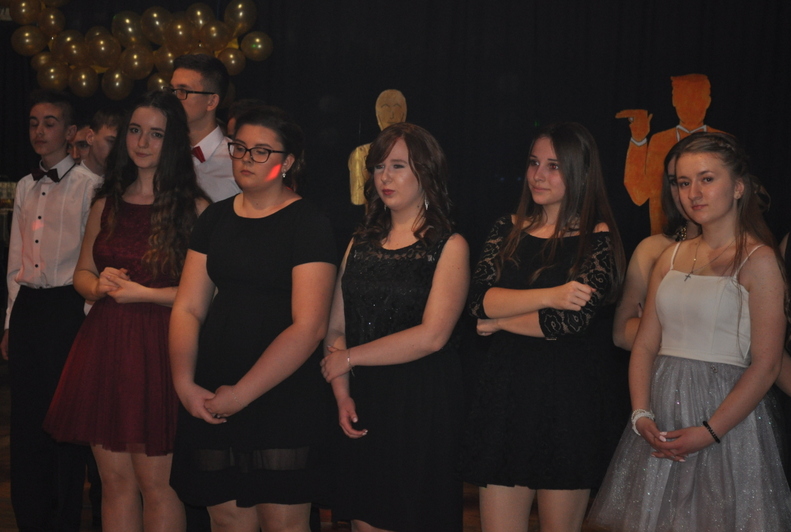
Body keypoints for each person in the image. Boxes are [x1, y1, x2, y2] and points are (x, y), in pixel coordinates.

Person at [587, 132, 791, 531]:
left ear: (738, 187)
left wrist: (709, 431)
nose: (693, 193)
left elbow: (767, 364)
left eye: (707, 179)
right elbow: (645, 345)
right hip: (663, 413)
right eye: (683, 183)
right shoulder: (669, 257)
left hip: (726, 416)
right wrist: (641, 414)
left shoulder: (760, 260)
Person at [43, 90, 210, 531]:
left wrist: (145, 294)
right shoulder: (107, 201)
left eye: (155, 134)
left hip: (162, 347)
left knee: (159, 485)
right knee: (114, 484)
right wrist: (97, 286)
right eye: (135, 130)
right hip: (105, 345)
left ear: (173, 141)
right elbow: (82, 273)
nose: (142, 142)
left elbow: (208, 295)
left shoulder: (195, 208)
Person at [169, 106, 338, 531]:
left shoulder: (309, 222)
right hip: (215, 380)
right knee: (226, 519)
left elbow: (309, 327)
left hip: (282, 389)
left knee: (282, 521)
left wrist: (242, 395)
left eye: (261, 151)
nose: (246, 158)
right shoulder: (215, 218)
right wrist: (184, 383)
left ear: (288, 162)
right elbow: (188, 307)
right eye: (240, 147)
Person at [460, 122, 626, 532]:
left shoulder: (597, 237)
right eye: (534, 163)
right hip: (506, 398)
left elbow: (569, 321)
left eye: (554, 166)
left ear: (580, 172)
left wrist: (500, 322)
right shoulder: (507, 228)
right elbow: (479, 299)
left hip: (567, 404)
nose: (538, 175)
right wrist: (553, 294)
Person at [321, 121, 469, 531]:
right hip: (363, 396)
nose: (385, 177)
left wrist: (349, 358)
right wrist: (341, 393)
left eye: (398, 166)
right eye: (379, 167)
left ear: (426, 172)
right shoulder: (359, 242)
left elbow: (433, 336)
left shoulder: (449, 245)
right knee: (363, 522)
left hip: (420, 404)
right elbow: (335, 327)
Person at [2, 89, 102, 531]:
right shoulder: (25, 185)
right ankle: (31, 518)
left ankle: (64, 519)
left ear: (71, 131)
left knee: (65, 419)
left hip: (69, 307)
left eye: (49, 123)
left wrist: (89, 322)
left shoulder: (89, 186)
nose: (39, 131)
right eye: (33, 123)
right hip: (29, 308)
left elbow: (93, 259)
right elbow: (15, 259)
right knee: (26, 420)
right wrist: (10, 322)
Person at [613, 136, 701, 351]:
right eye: (678, 183)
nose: (690, 193)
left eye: (706, 179)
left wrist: (656, 326)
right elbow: (622, 333)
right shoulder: (653, 249)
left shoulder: (753, 253)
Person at [617, 74, 724, 235]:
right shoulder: (659, 141)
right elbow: (639, 194)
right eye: (682, 98)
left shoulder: (723, 141)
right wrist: (638, 141)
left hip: (717, 240)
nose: (688, 105)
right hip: (665, 239)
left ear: (708, 101)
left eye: (695, 98)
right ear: (674, 101)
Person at [170, 54, 241, 202]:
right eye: (172, 90)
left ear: (211, 101)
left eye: (183, 91)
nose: (173, 99)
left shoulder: (237, 160)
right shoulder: (161, 151)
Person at [348, 89, 407, 205]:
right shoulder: (362, 153)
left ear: (404, 114)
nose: (391, 115)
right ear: (378, 115)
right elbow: (358, 198)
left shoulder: (416, 151)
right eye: (385, 109)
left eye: (397, 109)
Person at [80, 108, 124, 178]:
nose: (116, 149)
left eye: (121, 144)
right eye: (111, 141)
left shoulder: (123, 180)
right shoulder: (70, 180)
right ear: (90, 137)